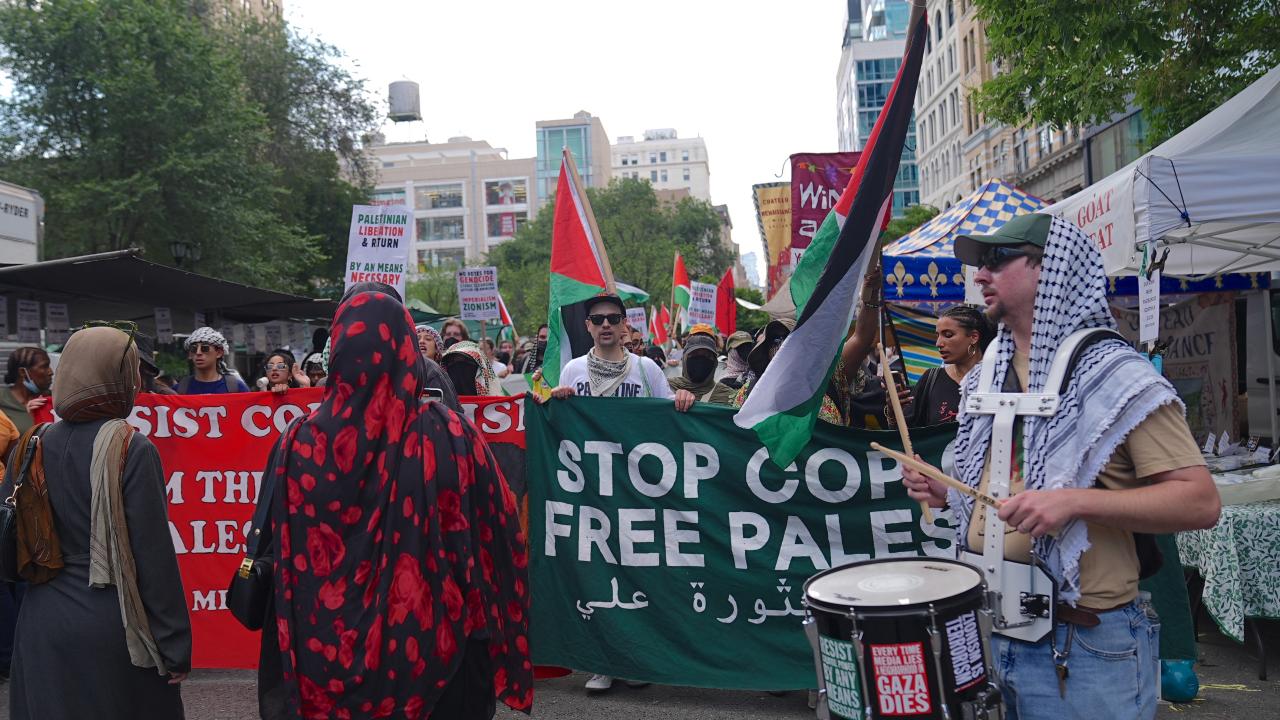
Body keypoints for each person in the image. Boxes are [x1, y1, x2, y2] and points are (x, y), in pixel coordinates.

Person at [902, 213, 1220, 720]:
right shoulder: (988, 373)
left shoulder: (1115, 374)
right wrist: (948, 493)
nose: (980, 275)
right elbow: (1005, 480)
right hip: (990, 629)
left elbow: (1199, 501)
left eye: (996, 260)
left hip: (1083, 643)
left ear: (1052, 267)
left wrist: (1073, 502)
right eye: (979, 263)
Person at [253, 289, 531, 719]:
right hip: (437, 661)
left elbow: (279, 548)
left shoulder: (298, 444)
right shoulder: (450, 434)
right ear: (406, 350)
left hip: (324, 666)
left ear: (337, 353)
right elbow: (499, 536)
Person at [5, 326, 191, 718]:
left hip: (40, 620)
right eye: (131, 370)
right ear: (114, 377)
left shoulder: (31, 444)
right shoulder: (132, 447)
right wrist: (173, 644)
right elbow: (152, 555)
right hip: (112, 621)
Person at [540, 293, 694, 693]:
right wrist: (555, 402)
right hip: (590, 493)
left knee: (639, 575)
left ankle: (638, 660)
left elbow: (669, 419)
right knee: (598, 575)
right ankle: (602, 662)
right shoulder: (573, 370)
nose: (606, 324)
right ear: (588, 326)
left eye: (613, 318)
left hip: (636, 493)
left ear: (625, 324)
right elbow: (554, 423)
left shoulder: (646, 369)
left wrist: (682, 398)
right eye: (598, 319)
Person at [906, 305, 993, 426]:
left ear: (974, 337)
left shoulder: (997, 380)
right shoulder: (931, 379)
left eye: (948, 335)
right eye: (937, 335)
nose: (938, 343)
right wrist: (893, 411)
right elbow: (908, 432)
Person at [177, 327, 250, 394]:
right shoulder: (180, 389)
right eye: (194, 349)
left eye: (205, 348)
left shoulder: (236, 387)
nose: (198, 352)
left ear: (219, 353)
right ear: (190, 354)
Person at [0, 348, 54, 433]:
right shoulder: (3, 400)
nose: (51, 372)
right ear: (23, 372)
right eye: (44, 366)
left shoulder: (53, 399)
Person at [668, 328, 720, 400]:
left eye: (707, 356)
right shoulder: (666, 388)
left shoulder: (728, 397)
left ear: (715, 362)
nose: (701, 361)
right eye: (694, 355)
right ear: (684, 359)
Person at [706, 330, 754, 405]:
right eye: (740, 348)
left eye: (748, 346)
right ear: (731, 352)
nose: (746, 350)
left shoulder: (758, 373)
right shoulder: (722, 381)